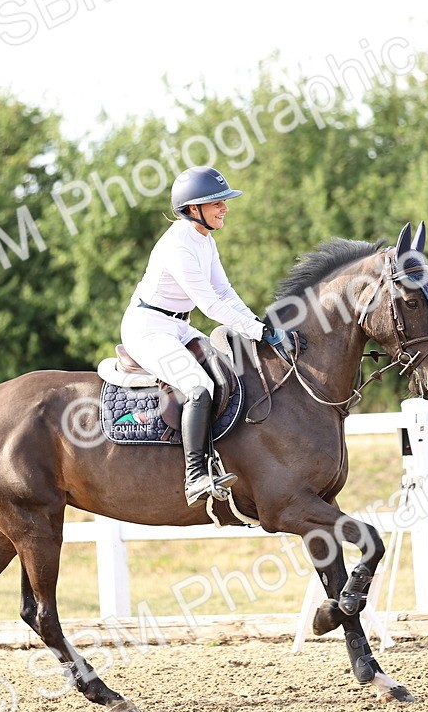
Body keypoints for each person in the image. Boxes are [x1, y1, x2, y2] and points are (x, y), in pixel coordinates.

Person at [120, 166, 296, 506]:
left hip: (178, 326)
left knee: (229, 371)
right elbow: (210, 305)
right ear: (193, 208)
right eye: (217, 203)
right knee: (199, 387)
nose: (225, 208)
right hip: (148, 328)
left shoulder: (205, 239)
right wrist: (258, 330)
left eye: (223, 202)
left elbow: (225, 291)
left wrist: (257, 324)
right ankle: (196, 476)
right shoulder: (178, 246)